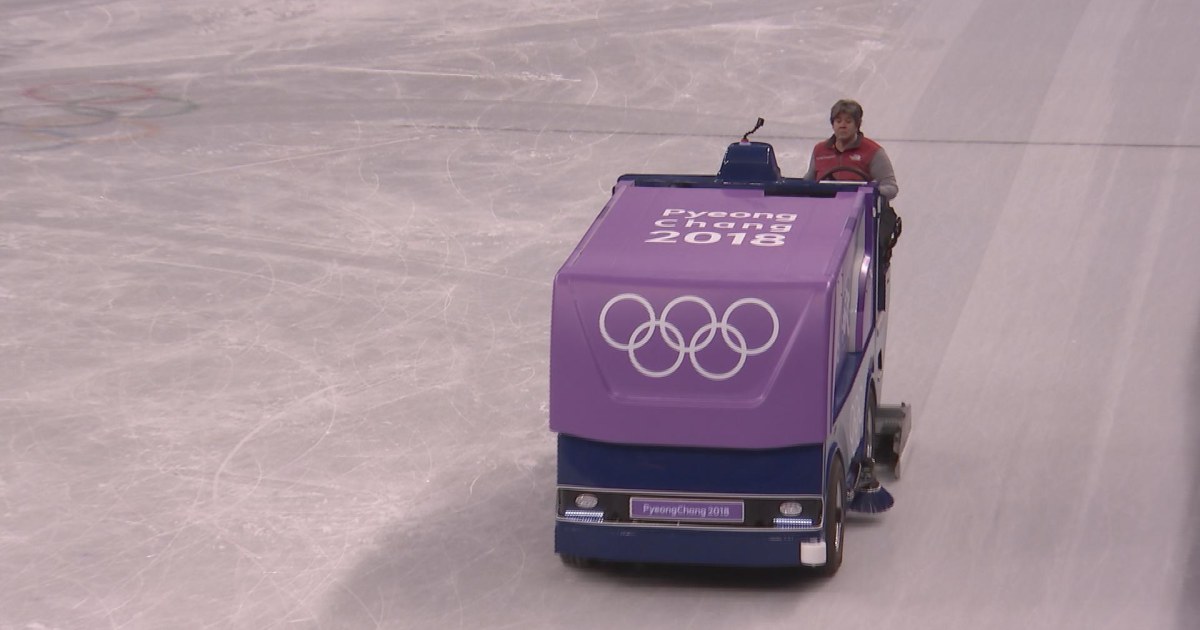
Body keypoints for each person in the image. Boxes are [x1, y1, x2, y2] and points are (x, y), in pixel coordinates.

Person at [804, 99, 899, 200]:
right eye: (838, 121)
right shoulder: (819, 150)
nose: (842, 125)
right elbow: (806, 184)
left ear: (857, 125)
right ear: (833, 124)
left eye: (848, 121)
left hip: (859, 212)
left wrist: (868, 193)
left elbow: (891, 187)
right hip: (822, 209)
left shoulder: (873, 151)